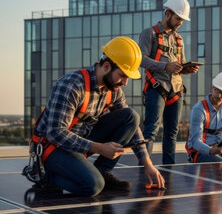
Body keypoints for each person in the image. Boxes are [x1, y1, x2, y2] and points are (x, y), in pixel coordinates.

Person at [30, 36, 165, 196]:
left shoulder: (113, 90)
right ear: (106, 66)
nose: (125, 82)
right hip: (53, 148)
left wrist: (147, 164)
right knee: (93, 186)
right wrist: (99, 148)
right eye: (122, 75)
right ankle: (46, 177)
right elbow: (55, 133)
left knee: (131, 117)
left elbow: (133, 127)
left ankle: (102, 172)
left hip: (81, 143)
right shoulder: (71, 86)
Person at [139, 0, 199, 164]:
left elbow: (179, 64)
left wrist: (187, 69)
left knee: (171, 133)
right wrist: (165, 66)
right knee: (151, 131)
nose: (180, 23)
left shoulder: (179, 40)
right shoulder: (149, 33)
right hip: (156, 88)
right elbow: (140, 60)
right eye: (178, 18)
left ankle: (169, 169)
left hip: (176, 91)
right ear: (167, 14)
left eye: (182, 20)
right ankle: (144, 169)